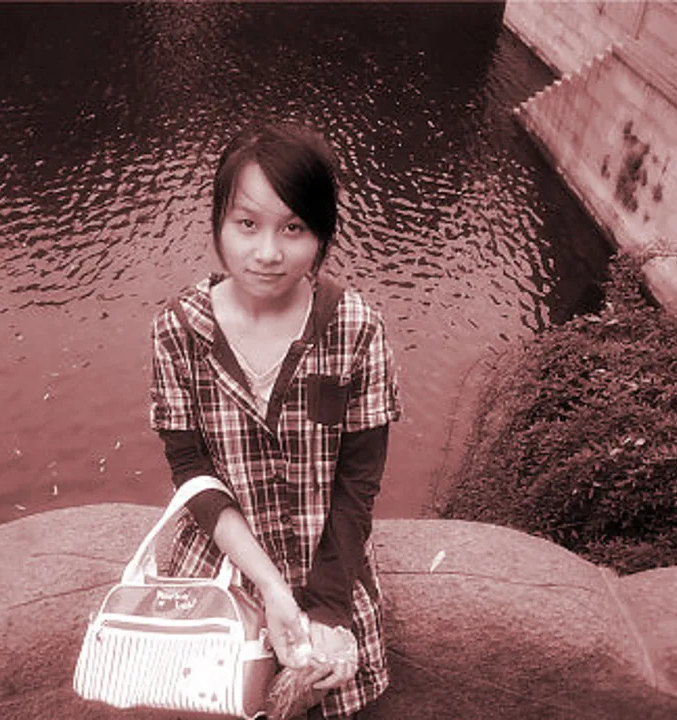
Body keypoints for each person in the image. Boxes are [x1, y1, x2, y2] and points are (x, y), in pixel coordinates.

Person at [150, 121, 400, 719]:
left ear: (322, 235)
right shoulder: (178, 332)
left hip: (330, 568)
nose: (267, 253)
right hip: (222, 566)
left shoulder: (357, 329)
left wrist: (329, 607)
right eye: (247, 224)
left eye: (293, 228)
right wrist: (268, 584)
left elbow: (357, 484)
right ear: (218, 222)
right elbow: (192, 472)